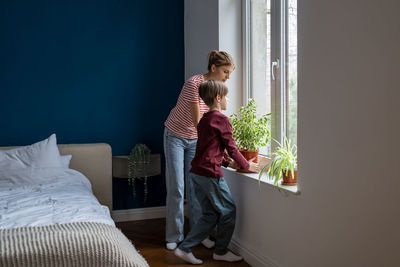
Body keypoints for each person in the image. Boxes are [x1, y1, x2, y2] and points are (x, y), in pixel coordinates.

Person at [174, 80, 260, 264]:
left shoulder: (204, 120)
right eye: (226, 96)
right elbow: (232, 148)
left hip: (196, 172)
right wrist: (246, 165)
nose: (228, 99)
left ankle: (185, 247)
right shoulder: (221, 119)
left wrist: (229, 164)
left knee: (211, 214)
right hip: (209, 173)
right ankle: (220, 251)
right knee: (228, 210)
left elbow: (210, 149)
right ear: (218, 98)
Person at [164, 51, 235, 250]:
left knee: (196, 189)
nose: (228, 76)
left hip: (196, 140)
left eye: (229, 72)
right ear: (213, 68)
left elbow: (217, 124)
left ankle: (198, 234)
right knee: (177, 187)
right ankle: (174, 235)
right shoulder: (194, 84)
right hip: (176, 136)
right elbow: (199, 123)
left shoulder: (218, 89)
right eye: (225, 71)